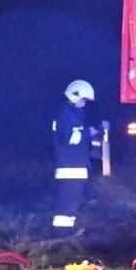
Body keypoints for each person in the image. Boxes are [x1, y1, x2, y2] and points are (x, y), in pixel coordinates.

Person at [51, 80, 107, 234]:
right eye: (83, 100)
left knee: (73, 197)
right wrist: (91, 131)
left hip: (75, 163)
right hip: (69, 164)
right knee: (69, 197)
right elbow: (70, 138)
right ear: (75, 96)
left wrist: (92, 132)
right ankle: (62, 230)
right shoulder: (66, 114)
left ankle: (68, 226)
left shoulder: (73, 113)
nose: (85, 103)